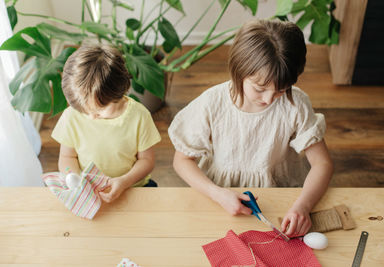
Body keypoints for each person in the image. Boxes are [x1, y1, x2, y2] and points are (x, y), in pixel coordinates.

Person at [168, 19, 333, 237]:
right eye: (259, 88)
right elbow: (181, 161)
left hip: (279, 197)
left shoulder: (296, 104)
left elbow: (322, 163)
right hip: (219, 196)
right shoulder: (212, 104)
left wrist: (303, 205)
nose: (268, 99)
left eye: (281, 90)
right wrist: (217, 194)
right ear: (239, 71)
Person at [52, 44, 161, 203]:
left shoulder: (139, 116)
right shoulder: (72, 116)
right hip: (89, 190)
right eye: (84, 111)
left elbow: (147, 161)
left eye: (99, 110)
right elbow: (67, 156)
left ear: (120, 91)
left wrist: (124, 181)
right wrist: (73, 177)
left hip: (133, 186)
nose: (91, 117)